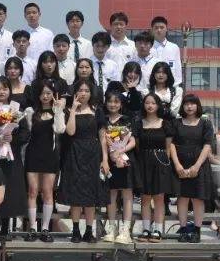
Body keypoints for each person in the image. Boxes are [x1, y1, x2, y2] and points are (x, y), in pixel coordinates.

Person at [60, 79, 109, 242]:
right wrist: (74, 109)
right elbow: (70, 132)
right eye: (80, 90)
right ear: (75, 92)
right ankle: (75, 231)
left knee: (90, 195)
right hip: (74, 153)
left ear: (91, 93)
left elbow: (102, 137)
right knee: (75, 194)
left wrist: (105, 159)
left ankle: (89, 230)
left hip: (93, 154)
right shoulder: (69, 110)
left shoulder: (97, 111)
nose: (83, 93)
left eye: (87, 91)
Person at [0, 76, 29, 231]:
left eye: (5, 88)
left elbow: (25, 133)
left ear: (10, 91)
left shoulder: (16, 110)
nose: (1, 92)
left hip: (11, 156)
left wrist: (12, 138)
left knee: (9, 189)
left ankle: (5, 226)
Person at [23, 81, 67, 241]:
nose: (46, 96)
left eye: (49, 93)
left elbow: (60, 129)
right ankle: (33, 227)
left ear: (54, 94)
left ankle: (45, 228)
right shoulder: (30, 111)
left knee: (48, 192)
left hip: (50, 155)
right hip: (33, 154)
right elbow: (27, 132)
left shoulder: (57, 112)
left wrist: (58, 110)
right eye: (43, 93)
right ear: (38, 95)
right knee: (32, 191)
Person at [169, 94, 215, 243]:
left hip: (199, 165)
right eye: (186, 104)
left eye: (192, 104)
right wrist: (177, 165)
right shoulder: (176, 123)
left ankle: (196, 230)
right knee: (182, 198)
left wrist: (196, 166)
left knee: (197, 199)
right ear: (182, 106)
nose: (189, 107)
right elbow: (171, 144)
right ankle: (183, 229)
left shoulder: (205, 123)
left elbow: (207, 145)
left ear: (197, 106)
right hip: (180, 164)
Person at [134, 92, 176, 242]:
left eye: (153, 103)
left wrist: (164, 164)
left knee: (159, 198)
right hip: (144, 162)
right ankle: (146, 229)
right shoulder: (138, 124)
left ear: (158, 105)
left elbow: (168, 148)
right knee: (145, 198)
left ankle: (157, 230)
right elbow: (137, 146)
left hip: (161, 162)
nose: (150, 106)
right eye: (147, 103)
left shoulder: (166, 124)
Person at [100, 88, 136, 245]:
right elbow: (103, 142)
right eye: (110, 101)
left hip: (125, 159)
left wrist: (120, 151)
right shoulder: (103, 120)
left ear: (121, 104)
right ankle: (111, 228)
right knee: (111, 194)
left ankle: (125, 230)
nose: (113, 104)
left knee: (127, 194)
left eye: (116, 102)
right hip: (110, 161)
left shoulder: (128, 119)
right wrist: (106, 159)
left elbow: (133, 141)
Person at [150, 16, 183, 87]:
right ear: (152, 30)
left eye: (162, 27)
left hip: (170, 88)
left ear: (166, 29)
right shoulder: (148, 48)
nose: (159, 30)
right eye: (156, 28)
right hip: (151, 88)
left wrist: (176, 88)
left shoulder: (174, 48)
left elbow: (178, 70)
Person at [89, 31, 121, 96]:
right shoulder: (87, 64)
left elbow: (116, 85)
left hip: (108, 99)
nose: (100, 49)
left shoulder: (113, 65)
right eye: (97, 46)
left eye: (103, 46)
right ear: (92, 45)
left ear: (108, 47)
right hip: (91, 98)